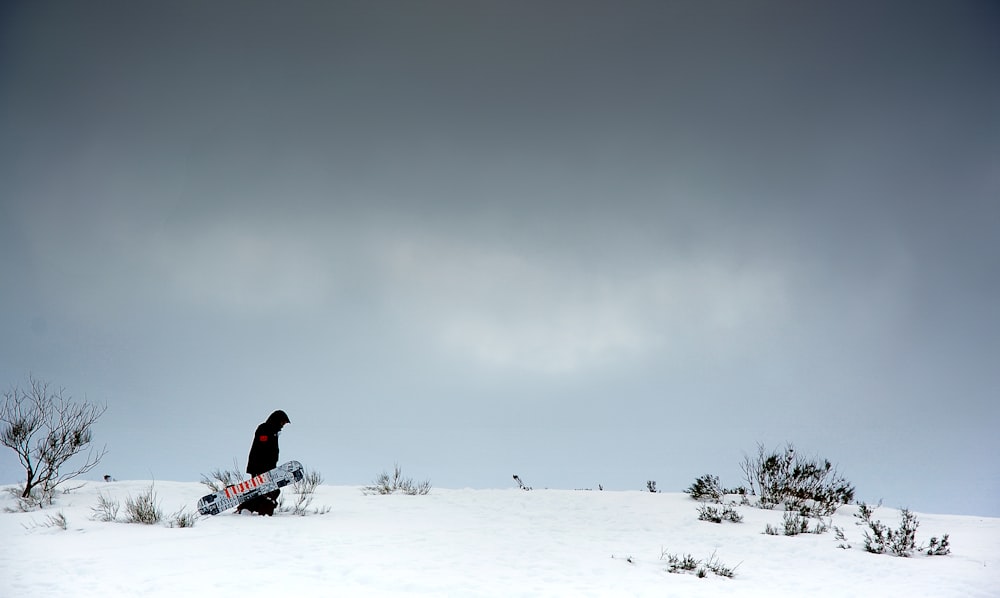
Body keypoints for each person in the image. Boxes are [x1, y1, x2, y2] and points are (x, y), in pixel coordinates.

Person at [236, 409, 291, 516]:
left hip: (267, 468)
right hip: (259, 468)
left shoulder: (273, 431)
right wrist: (257, 471)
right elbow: (260, 450)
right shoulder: (265, 429)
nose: (283, 425)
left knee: (269, 491)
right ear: (278, 420)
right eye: (283, 422)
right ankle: (253, 509)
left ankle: (249, 509)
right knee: (267, 491)